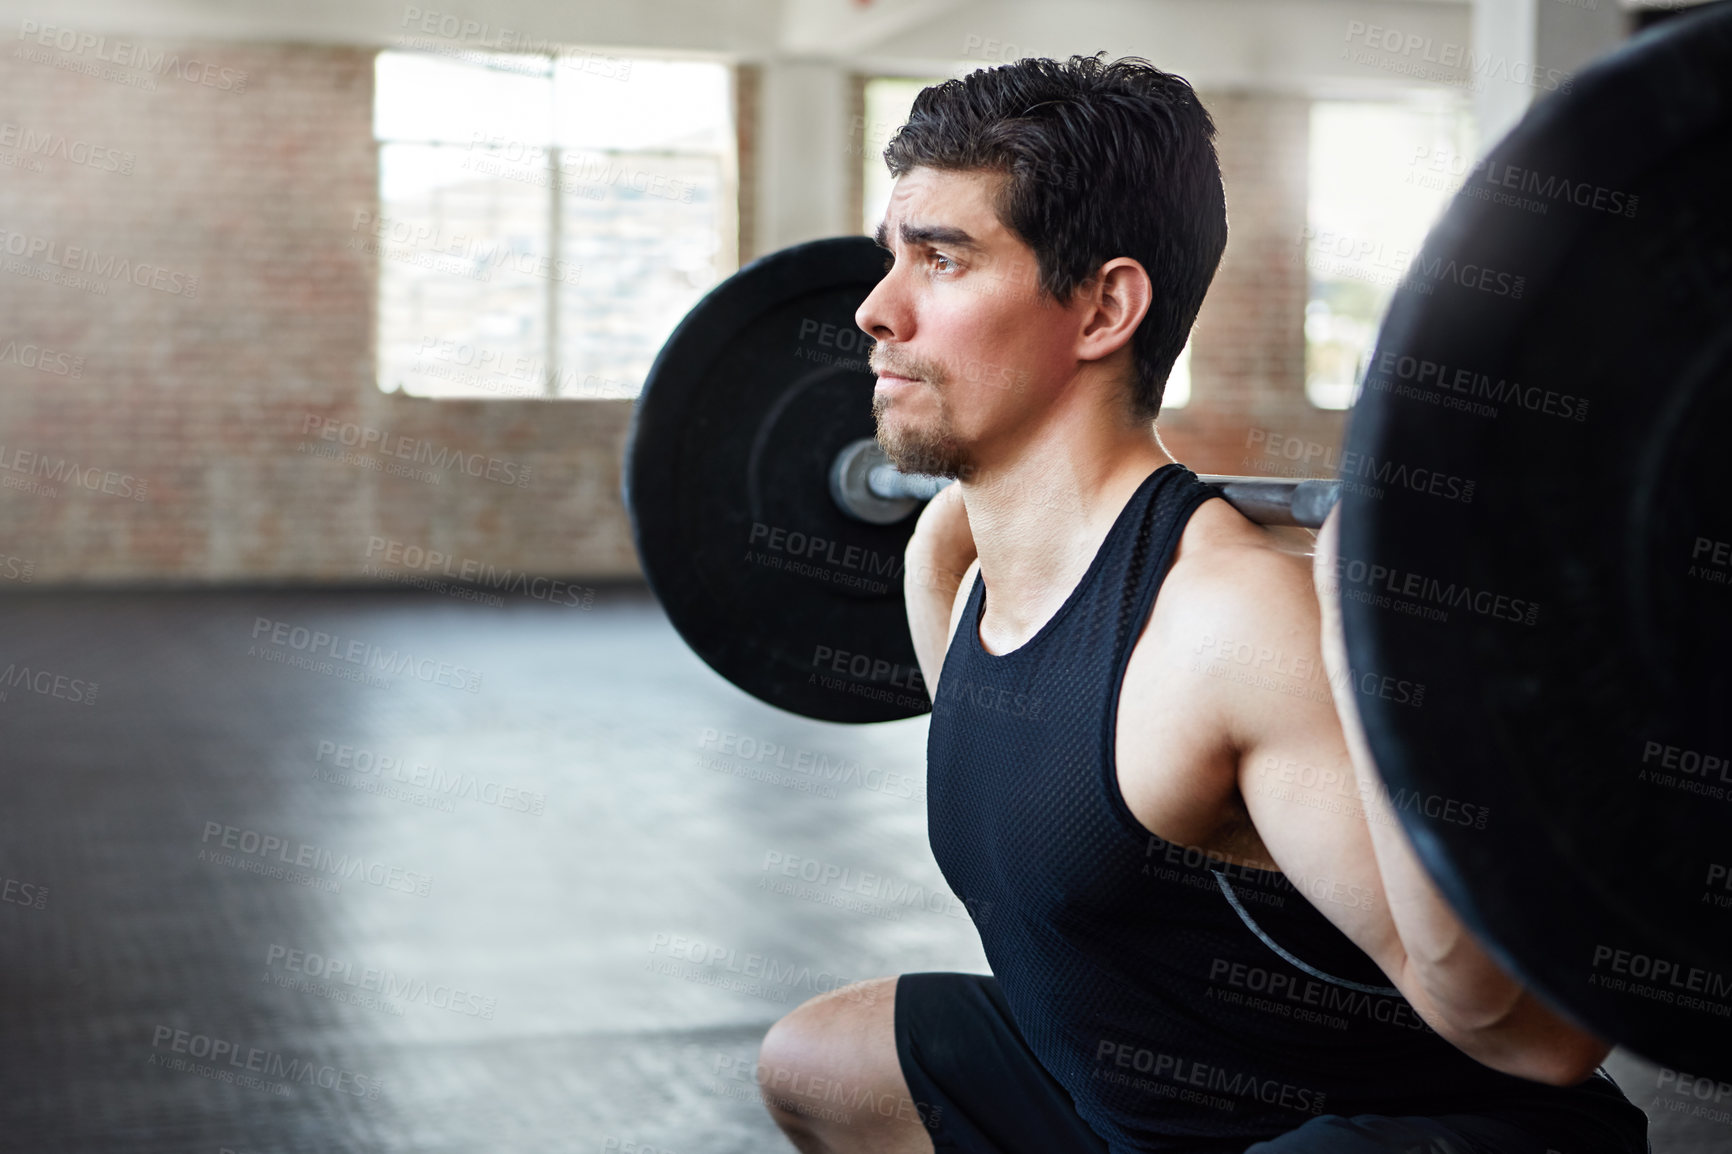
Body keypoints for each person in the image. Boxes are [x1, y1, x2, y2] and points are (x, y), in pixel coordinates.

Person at [755, 55, 1649, 1153]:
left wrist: (1374, 641)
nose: (875, 309)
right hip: (1140, 1111)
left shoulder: (1233, 623)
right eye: (893, 254)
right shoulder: (955, 571)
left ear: (1103, 308)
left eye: (941, 260)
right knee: (824, 1063)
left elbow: (1544, 1039)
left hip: (1403, 1133)